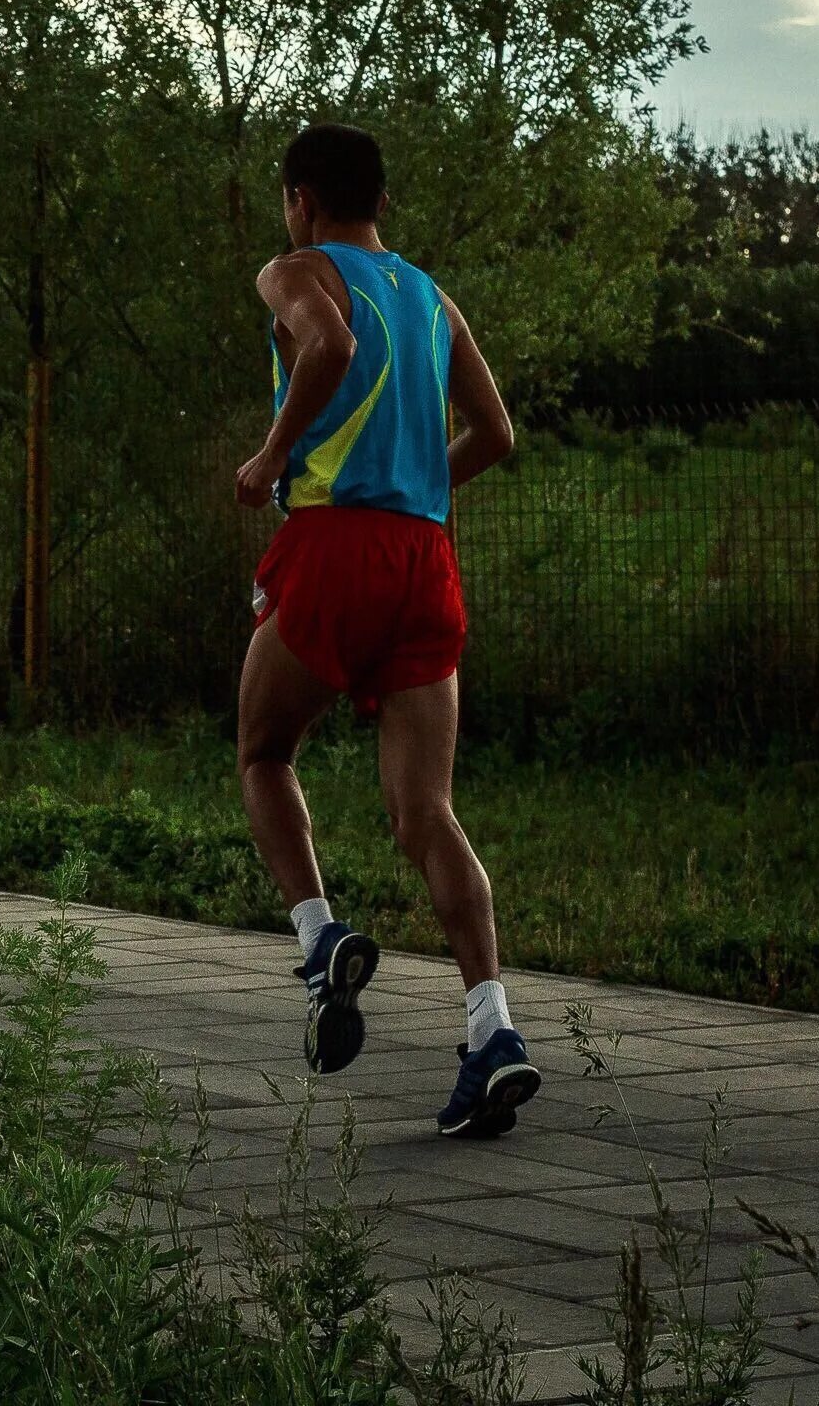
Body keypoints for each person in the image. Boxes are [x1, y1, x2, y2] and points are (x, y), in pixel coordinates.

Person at [232, 123, 535, 1138]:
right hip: (424, 559)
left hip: (335, 549)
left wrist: (271, 457)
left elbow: (327, 344)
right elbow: (496, 432)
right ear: (383, 202)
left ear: (300, 198)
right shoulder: (427, 293)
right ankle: (491, 1029)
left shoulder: (295, 268)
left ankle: (320, 941)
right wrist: (414, 490)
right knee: (425, 812)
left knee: (264, 749)